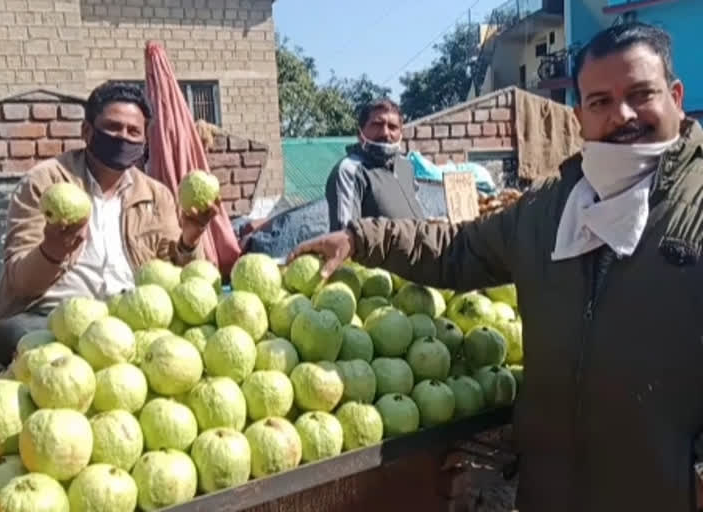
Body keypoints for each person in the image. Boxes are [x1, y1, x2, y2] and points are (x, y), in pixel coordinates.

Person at [291, 23, 703, 512]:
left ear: (676, 96)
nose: (622, 115)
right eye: (601, 102)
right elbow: (457, 247)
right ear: (579, 116)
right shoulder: (551, 209)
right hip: (552, 493)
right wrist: (361, 237)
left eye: (641, 94)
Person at [0, 82, 220, 367]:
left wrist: (190, 239)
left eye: (133, 132)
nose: (123, 137)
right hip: (50, 318)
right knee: (27, 343)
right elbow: (20, 283)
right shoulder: (45, 184)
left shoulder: (157, 195)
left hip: (127, 319)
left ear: (144, 141)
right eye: (112, 127)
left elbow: (176, 283)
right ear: (87, 131)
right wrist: (51, 251)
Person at [325, 99, 425, 231]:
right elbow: (345, 235)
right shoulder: (351, 170)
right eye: (377, 125)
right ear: (360, 133)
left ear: (401, 134)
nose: (385, 133)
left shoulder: (406, 167)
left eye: (392, 127)